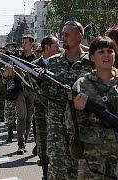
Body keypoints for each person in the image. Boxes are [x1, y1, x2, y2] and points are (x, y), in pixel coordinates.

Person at [42, 21, 93, 180]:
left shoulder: (90, 62)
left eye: (67, 34)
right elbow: (43, 96)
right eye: (62, 34)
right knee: (57, 171)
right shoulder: (53, 62)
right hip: (57, 127)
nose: (63, 38)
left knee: (82, 171)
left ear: (80, 36)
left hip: (82, 126)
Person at [67, 36, 118, 179]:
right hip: (92, 160)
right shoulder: (82, 85)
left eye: (110, 51)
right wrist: (76, 110)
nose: (106, 55)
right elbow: (69, 125)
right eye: (101, 52)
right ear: (92, 58)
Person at [32, 35, 61, 180]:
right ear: (47, 47)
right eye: (56, 45)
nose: (59, 48)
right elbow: (30, 86)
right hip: (41, 108)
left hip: (58, 109)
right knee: (43, 140)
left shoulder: (61, 63)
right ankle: (45, 172)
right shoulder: (34, 65)